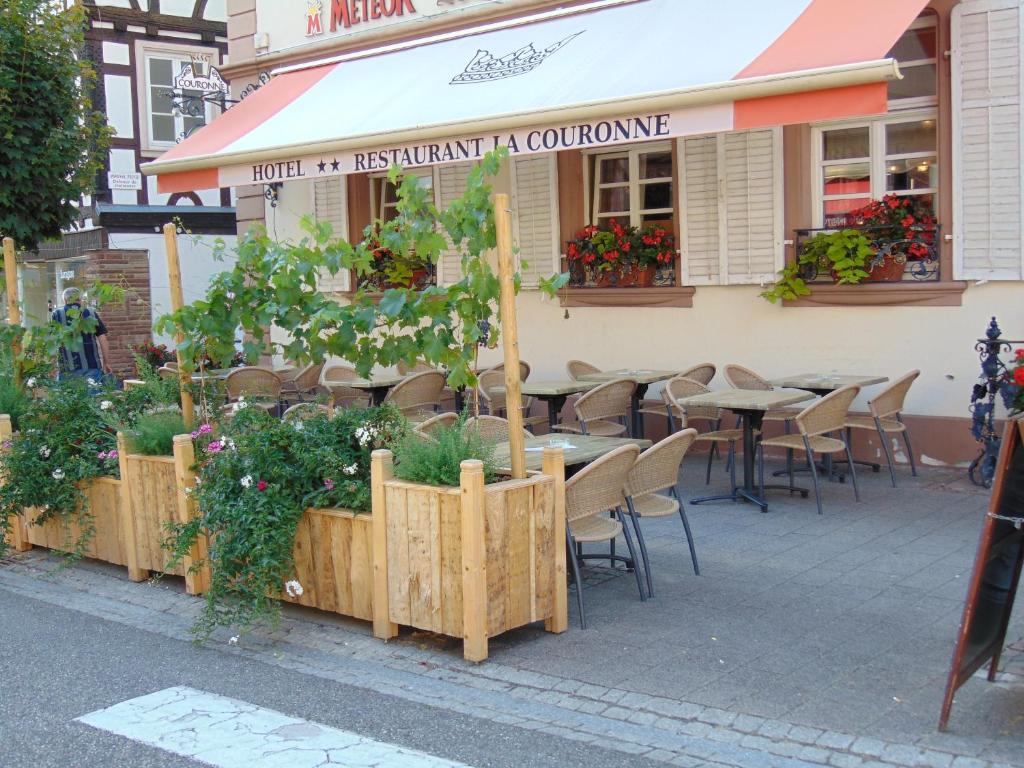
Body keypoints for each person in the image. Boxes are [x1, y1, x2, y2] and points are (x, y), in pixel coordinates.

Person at [52, 287, 112, 381]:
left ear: (65, 300)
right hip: (92, 366)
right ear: (80, 299)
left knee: (68, 395)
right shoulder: (91, 313)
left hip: (67, 368)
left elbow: (54, 341)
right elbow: (102, 338)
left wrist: (52, 364)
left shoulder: (57, 314)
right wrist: (106, 362)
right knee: (94, 395)